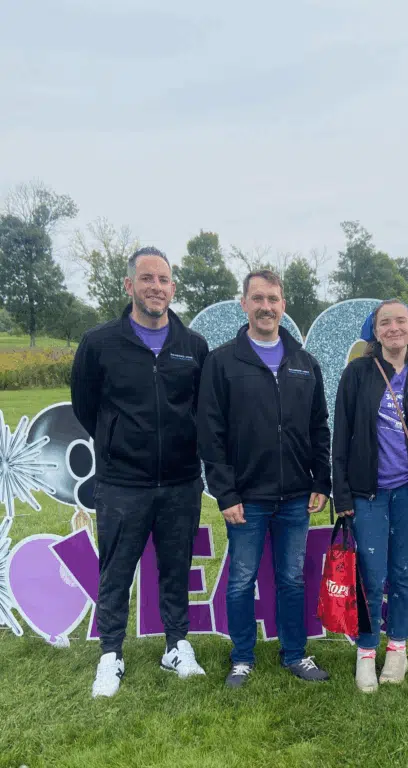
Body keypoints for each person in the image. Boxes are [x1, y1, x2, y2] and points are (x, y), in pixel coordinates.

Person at [71, 246, 209, 698]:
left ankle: (176, 646)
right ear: (129, 286)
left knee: (176, 567)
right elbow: (86, 406)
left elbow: (200, 409)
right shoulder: (99, 342)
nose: (156, 287)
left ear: (173, 288)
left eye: (164, 280)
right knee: (116, 571)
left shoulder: (193, 346)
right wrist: (118, 443)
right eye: (147, 279)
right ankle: (111, 654)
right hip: (121, 483)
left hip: (180, 481)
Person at [198, 269, 332, 688]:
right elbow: (211, 433)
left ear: (283, 305)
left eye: (273, 299)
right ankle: (242, 657)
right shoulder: (222, 362)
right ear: (244, 304)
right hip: (246, 498)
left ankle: (294, 654)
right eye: (257, 298)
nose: (266, 307)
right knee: (241, 579)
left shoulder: (304, 363)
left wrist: (321, 481)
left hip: (295, 496)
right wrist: (225, 492)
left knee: (292, 579)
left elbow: (318, 428)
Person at [333, 299, 408, 693]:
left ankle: (397, 648)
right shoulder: (357, 373)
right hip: (368, 493)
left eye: (401, 321)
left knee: (401, 573)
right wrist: (341, 496)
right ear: (375, 331)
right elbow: (341, 437)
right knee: (370, 575)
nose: (394, 328)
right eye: (385, 322)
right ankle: (366, 651)